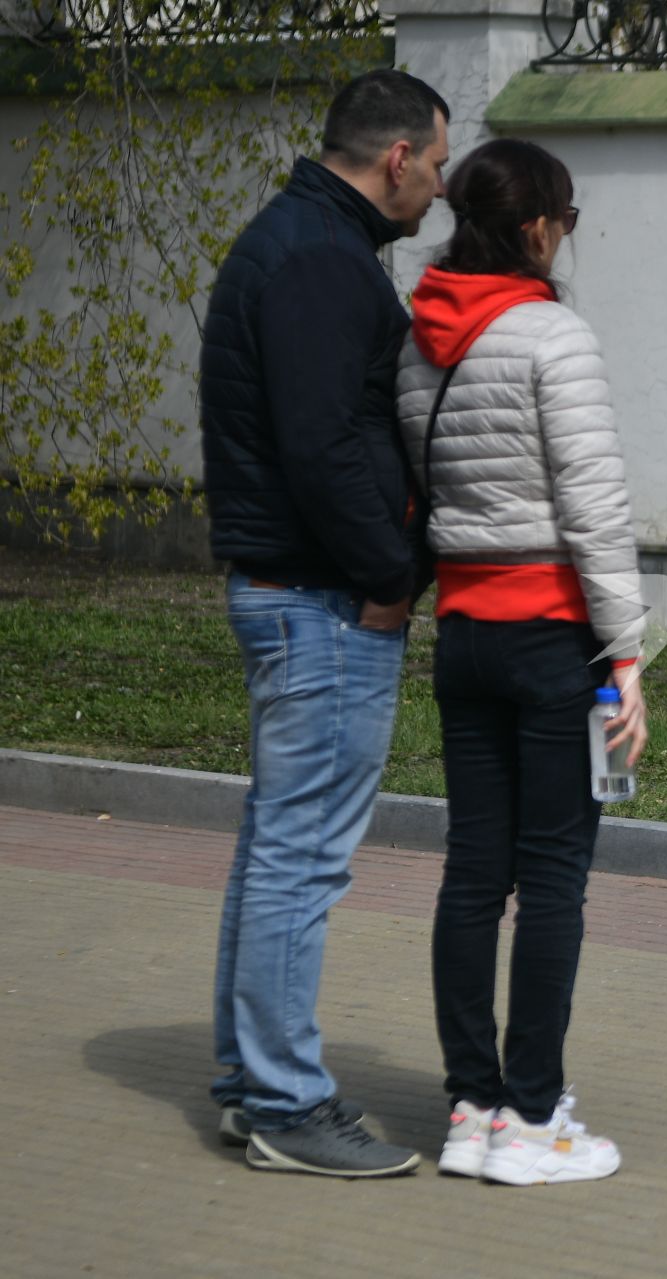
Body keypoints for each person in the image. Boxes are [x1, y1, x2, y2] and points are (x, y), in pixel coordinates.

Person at [200, 69, 450, 1178]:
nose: (440, 189)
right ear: (397, 157)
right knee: (301, 862)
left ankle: (251, 1087)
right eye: (437, 164)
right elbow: (322, 447)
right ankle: (288, 1105)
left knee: (276, 854)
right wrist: (392, 573)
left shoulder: (306, 242)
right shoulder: (317, 259)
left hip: (299, 593)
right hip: (322, 603)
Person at [397, 138, 647, 1186]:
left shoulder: (419, 343)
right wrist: (628, 650)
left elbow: (427, 485)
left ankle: (472, 1108)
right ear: (540, 226)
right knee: (552, 880)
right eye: (567, 219)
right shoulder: (554, 334)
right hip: (552, 638)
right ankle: (534, 1120)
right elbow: (593, 506)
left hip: (463, 634)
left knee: (472, 873)